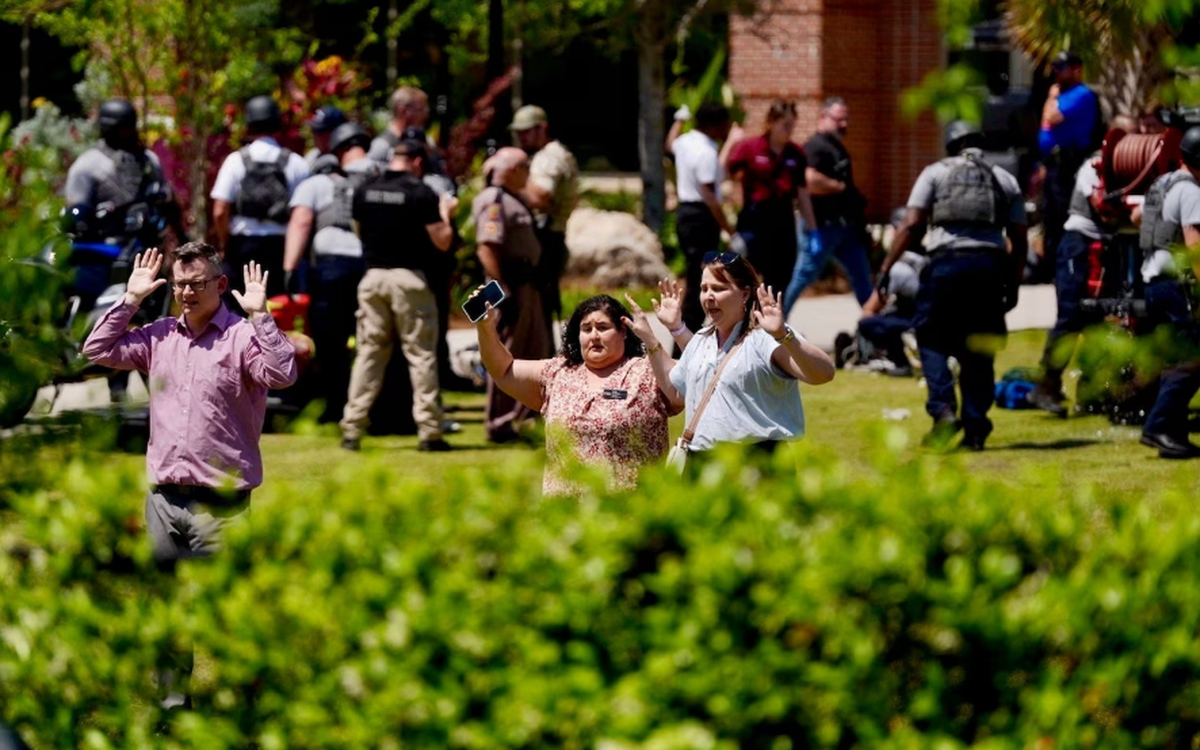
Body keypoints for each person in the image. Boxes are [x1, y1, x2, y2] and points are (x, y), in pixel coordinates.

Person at [82, 243, 298, 705]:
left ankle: (244, 709)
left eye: (198, 283)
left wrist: (261, 316)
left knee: (229, 618)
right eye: (180, 283)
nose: (187, 292)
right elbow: (95, 350)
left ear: (221, 285)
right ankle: (172, 703)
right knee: (165, 609)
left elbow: (283, 374)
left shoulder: (241, 338)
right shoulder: (159, 335)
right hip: (162, 501)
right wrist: (131, 299)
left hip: (220, 511)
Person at [881, 120, 1027, 451]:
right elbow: (1019, 239)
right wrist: (1014, 284)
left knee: (930, 336)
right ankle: (976, 428)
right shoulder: (1005, 178)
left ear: (949, 145)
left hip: (946, 263)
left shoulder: (935, 172)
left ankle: (944, 410)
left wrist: (887, 265)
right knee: (979, 345)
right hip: (990, 268)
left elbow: (912, 223)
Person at [626, 253, 835, 457]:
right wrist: (651, 340)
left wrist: (784, 335)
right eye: (704, 288)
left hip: (757, 464)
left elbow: (823, 374)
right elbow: (676, 393)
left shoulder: (765, 338)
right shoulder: (701, 339)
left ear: (745, 294)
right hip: (701, 462)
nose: (708, 296)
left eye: (718, 289)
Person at [472, 292, 682, 495]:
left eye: (602, 327)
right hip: (565, 516)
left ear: (624, 331)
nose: (594, 336)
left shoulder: (647, 372)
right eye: (586, 329)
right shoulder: (557, 373)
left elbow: (682, 391)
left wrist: (659, 337)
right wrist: (485, 327)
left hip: (628, 513)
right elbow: (502, 370)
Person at [339, 137, 459, 452]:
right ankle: (430, 432)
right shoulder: (421, 193)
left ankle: (352, 428)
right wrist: (448, 213)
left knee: (369, 353)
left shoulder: (364, 189)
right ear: (418, 162)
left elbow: (360, 231)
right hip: (409, 280)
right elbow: (443, 241)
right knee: (420, 355)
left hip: (373, 278)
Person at [64, 98, 181, 402]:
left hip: (146, 253)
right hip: (103, 255)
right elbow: (76, 212)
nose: (129, 133)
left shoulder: (147, 161)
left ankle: (159, 395)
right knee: (112, 315)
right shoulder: (89, 165)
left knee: (152, 322)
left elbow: (166, 200)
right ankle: (115, 386)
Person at [1027, 114, 1139, 416]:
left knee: (1097, 320)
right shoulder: (1094, 166)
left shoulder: (1130, 171)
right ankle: (1046, 385)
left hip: (1104, 247)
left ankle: (1089, 393)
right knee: (1070, 316)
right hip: (1079, 245)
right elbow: (1105, 212)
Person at [284, 122, 380, 423]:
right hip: (372, 265)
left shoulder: (317, 183)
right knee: (371, 337)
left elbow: (300, 222)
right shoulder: (379, 179)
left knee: (330, 339)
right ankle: (371, 407)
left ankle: (336, 405)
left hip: (331, 267)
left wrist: (289, 267)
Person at [472, 147, 553, 442]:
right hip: (510, 288)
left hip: (527, 286)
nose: (528, 174)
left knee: (533, 350)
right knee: (506, 353)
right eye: (524, 168)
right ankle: (500, 423)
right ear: (511, 171)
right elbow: (486, 246)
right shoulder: (494, 201)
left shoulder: (513, 198)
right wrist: (500, 288)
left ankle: (525, 418)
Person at [1132, 126, 1200, 459]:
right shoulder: (1191, 192)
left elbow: (1137, 217)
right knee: (1191, 359)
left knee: (1175, 359)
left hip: (1153, 281)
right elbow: (1194, 245)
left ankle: (1173, 435)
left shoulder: (1162, 183)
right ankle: (1158, 426)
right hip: (1174, 285)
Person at [211, 95, 310, 303]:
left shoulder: (235, 160)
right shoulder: (296, 163)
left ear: (248, 124)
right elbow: (303, 214)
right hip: (281, 249)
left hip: (242, 247)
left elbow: (220, 210)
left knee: (235, 312)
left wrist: (224, 242)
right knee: (276, 310)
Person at [785, 96, 874, 311]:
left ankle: (874, 324)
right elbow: (808, 179)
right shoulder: (816, 145)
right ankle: (773, 323)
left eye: (846, 119)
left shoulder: (836, 147)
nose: (844, 124)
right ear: (823, 116)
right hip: (821, 227)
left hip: (844, 227)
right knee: (803, 275)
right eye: (839, 119)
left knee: (862, 276)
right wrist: (837, 186)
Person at [726, 99, 819, 299]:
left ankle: (771, 324)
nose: (789, 129)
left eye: (792, 125)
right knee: (747, 276)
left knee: (781, 278)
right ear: (771, 122)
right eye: (785, 125)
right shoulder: (750, 148)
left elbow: (802, 194)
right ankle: (743, 323)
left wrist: (813, 229)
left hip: (783, 219)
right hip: (755, 220)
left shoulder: (796, 153)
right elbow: (727, 172)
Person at [510, 104, 581, 337]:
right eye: (519, 131)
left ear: (542, 128)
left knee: (536, 310)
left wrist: (509, 183)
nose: (522, 136)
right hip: (550, 239)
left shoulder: (548, 157)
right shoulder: (553, 153)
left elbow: (540, 196)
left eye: (527, 131)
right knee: (539, 309)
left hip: (545, 240)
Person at [668, 102, 738, 333]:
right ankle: (684, 342)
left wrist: (679, 120)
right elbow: (709, 195)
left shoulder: (686, 141)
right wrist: (729, 229)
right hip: (700, 217)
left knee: (695, 274)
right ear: (714, 125)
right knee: (700, 280)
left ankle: (687, 336)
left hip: (685, 213)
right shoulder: (706, 151)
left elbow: (670, 143)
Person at [1038, 50, 1101, 283]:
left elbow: (1051, 118)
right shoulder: (1062, 93)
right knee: (1050, 218)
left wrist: (1051, 97)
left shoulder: (1081, 94)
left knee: (1065, 216)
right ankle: (1051, 269)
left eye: (1062, 68)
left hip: (1069, 163)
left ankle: (1069, 269)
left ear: (1076, 69)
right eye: (1056, 68)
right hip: (1053, 162)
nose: (1057, 73)